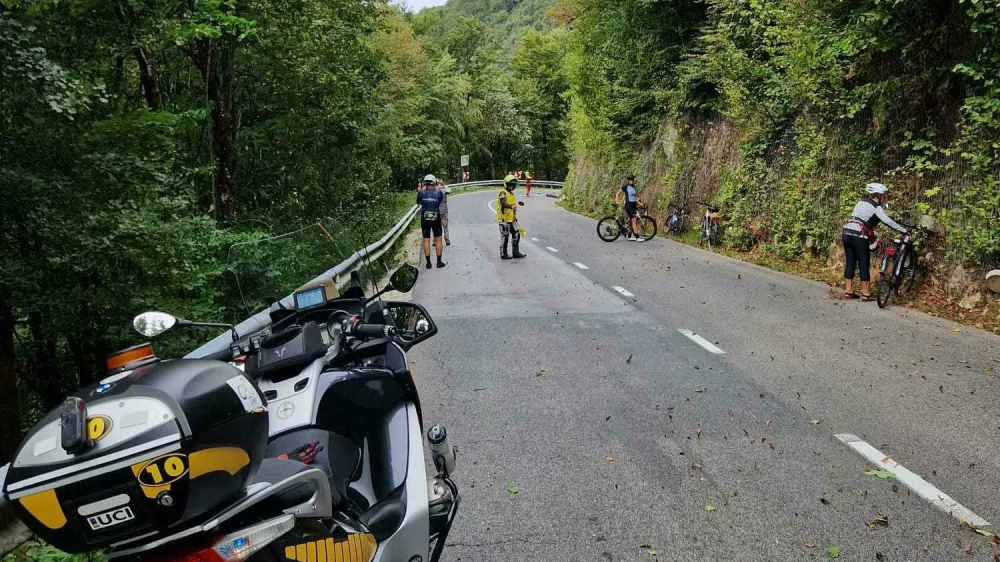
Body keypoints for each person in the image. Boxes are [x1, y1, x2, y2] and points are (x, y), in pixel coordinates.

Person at [842, 182, 908, 300]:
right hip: (859, 235)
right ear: (878, 195)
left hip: (846, 232)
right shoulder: (877, 208)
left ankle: (848, 290)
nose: (885, 199)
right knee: (864, 263)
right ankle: (866, 293)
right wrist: (904, 231)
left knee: (850, 261)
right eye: (884, 196)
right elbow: (888, 221)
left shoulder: (861, 202)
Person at [417, 174, 446, 269]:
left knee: (426, 239)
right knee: (438, 239)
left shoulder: (421, 193)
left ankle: (428, 263)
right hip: (436, 217)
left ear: (425, 183)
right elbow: (439, 202)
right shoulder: (439, 193)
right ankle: (439, 262)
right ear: (434, 182)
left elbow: (418, 202)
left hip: (424, 218)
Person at [497, 174, 526, 260]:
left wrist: (515, 217)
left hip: (511, 219)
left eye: (513, 184)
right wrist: (511, 206)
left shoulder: (511, 194)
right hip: (503, 219)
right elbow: (504, 203)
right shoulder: (502, 193)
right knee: (505, 236)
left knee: (517, 233)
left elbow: (513, 207)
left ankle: (515, 252)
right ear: (506, 183)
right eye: (510, 184)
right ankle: (503, 254)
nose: (511, 186)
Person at [614, 173, 644, 242]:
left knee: (631, 221)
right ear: (627, 181)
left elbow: (635, 198)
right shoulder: (626, 186)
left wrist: (640, 204)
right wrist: (617, 201)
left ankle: (630, 236)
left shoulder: (633, 187)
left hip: (633, 205)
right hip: (628, 205)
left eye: (632, 180)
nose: (631, 181)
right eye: (630, 180)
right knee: (634, 220)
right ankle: (637, 237)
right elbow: (618, 193)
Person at [437, 178, 451, 246]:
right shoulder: (444, 191)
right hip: (444, 211)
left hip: (436, 211)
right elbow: (449, 190)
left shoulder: (435, 191)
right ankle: (447, 240)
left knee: (436, 227)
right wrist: (444, 185)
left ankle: (435, 241)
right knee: (445, 226)